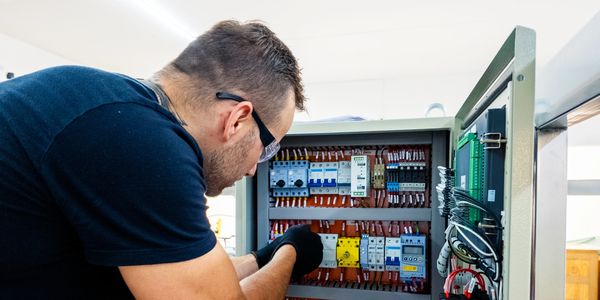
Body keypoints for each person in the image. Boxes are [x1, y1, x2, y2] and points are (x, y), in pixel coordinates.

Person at [0, 20, 323, 299]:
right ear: (237, 120)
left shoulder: (113, 109)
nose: (255, 169)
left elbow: (186, 271)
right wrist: (290, 254)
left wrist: (264, 255)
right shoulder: (142, 144)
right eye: (267, 148)